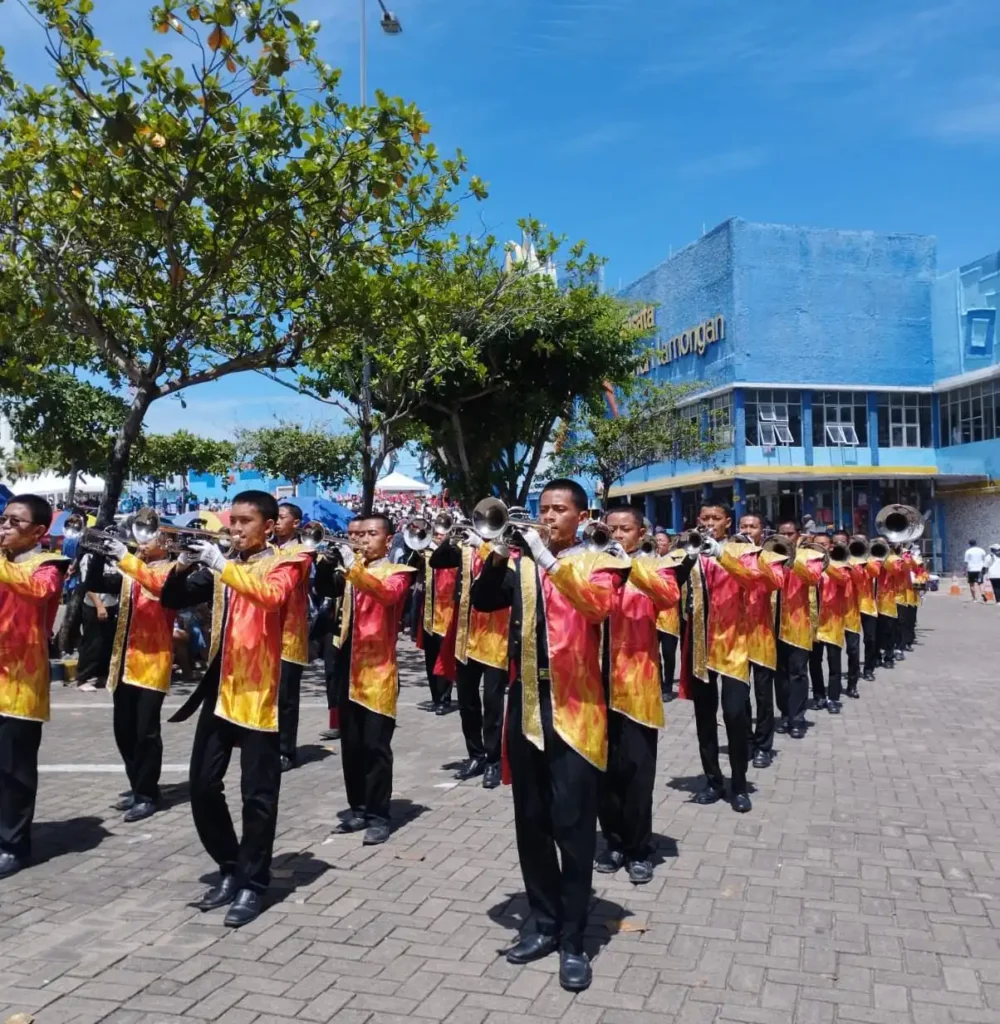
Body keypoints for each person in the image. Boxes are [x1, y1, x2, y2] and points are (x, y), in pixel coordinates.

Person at [471, 479, 628, 992]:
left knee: (574, 826)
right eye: (543, 510)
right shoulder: (520, 562)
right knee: (531, 822)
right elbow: (483, 601)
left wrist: (547, 558)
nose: (549, 517)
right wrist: (499, 553)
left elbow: (597, 608)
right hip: (527, 706)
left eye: (559, 510)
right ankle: (541, 922)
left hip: (577, 708)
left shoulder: (601, 560)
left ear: (580, 517)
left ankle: (574, 939)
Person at [161, 491, 306, 928]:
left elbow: (271, 597)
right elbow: (172, 599)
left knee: (257, 797)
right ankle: (229, 865)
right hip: (222, 691)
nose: (236, 529)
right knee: (202, 786)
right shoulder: (226, 564)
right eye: (232, 522)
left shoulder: (289, 561)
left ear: (269, 525)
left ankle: (253, 883)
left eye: (245, 522)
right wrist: (186, 563)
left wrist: (220, 564)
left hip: (262, 693)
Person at [315, 515, 415, 846]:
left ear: (388, 540)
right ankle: (357, 808)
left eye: (371, 534)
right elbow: (324, 590)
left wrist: (352, 569)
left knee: (375, 747)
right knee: (351, 745)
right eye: (356, 534)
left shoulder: (398, 572)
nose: (362, 540)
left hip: (378, 670)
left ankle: (378, 815)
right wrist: (330, 567)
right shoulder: (350, 568)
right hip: (347, 665)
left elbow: (386, 596)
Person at [598, 507, 679, 884]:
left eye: (624, 530)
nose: (617, 536)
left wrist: (629, 566)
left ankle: (639, 848)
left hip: (638, 687)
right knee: (603, 772)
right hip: (594, 686)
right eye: (611, 529)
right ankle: (613, 841)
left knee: (637, 773)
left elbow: (668, 597)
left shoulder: (655, 567)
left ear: (640, 532)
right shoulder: (592, 565)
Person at [682, 504, 771, 812]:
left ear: (727, 522)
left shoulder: (740, 551)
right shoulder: (688, 550)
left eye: (715, 519)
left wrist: (720, 553)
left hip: (733, 646)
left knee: (735, 715)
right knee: (705, 719)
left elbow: (755, 580)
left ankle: (739, 783)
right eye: (704, 518)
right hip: (699, 647)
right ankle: (712, 780)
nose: (709, 523)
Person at [0, 496, 69, 879]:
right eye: (3, 519)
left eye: (15, 522)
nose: (5, 527)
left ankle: (14, 844)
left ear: (39, 532)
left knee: (15, 769)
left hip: (22, 681)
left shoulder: (49, 565)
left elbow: (37, 591)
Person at [101, 530, 176, 822]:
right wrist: (96, 554)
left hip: (154, 659)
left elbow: (159, 587)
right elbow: (97, 583)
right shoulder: (134, 567)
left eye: (149, 539)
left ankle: (147, 793)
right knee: (124, 728)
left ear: (166, 545)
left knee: (146, 730)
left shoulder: (172, 571)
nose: (141, 543)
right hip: (125, 658)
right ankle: (137, 786)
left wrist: (126, 558)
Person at [435, 528, 510, 789]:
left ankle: (494, 760)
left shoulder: (509, 548)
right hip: (465, 638)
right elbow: (437, 561)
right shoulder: (465, 551)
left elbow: (507, 567)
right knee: (467, 702)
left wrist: (484, 545)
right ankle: (475, 755)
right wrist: (449, 536)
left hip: (494, 637)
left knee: (492, 703)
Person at [738, 513, 784, 768]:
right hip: (735, 638)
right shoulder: (730, 555)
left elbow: (775, 581)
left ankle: (764, 746)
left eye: (752, 527)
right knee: (740, 697)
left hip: (762, 636)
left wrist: (755, 557)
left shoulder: (771, 557)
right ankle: (744, 742)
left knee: (764, 696)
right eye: (743, 526)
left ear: (761, 532)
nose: (747, 530)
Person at [272, 502, 314, 772]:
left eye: (282, 517)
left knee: (287, 697)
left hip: (289, 633)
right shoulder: (266, 547)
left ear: (295, 523)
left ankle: (286, 749)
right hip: (263, 634)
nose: (276, 521)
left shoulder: (303, 551)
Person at [773, 521, 825, 740]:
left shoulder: (809, 555)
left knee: (799, 673)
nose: (786, 537)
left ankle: (798, 718)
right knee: (780, 674)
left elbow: (814, 578)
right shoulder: (771, 554)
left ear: (798, 534)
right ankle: (785, 713)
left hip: (797, 624)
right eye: (782, 533)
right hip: (773, 623)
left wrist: (794, 559)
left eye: (790, 533)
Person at [807, 534, 849, 715]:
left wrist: (826, 564)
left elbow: (844, 580)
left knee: (834, 663)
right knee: (814, 662)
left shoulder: (840, 562)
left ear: (831, 546)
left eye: (824, 545)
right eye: (817, 545)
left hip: (833, 622)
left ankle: (833, 697)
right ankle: (819, 695)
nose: (820, 548)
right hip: (813, 622)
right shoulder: (807, 564)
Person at [75, 549, 122, 691]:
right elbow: (87, 584)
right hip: (93, 605)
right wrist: (99, 606)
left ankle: (102, 675)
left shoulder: (115, 558)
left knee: (108, 643)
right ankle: (83, 678)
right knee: (92, 642)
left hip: (112, 604)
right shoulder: (89, 557)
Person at [832, 530, 863, 698]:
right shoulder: (827, 560)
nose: (839, 545)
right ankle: (834, 689)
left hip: (851, 614)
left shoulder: (855, 561)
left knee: (853, 651)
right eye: (836, 542)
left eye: (842, 542)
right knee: (833, 656)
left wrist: (848, 560)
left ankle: (852, 685)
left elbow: (859, 579)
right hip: (832, 616)